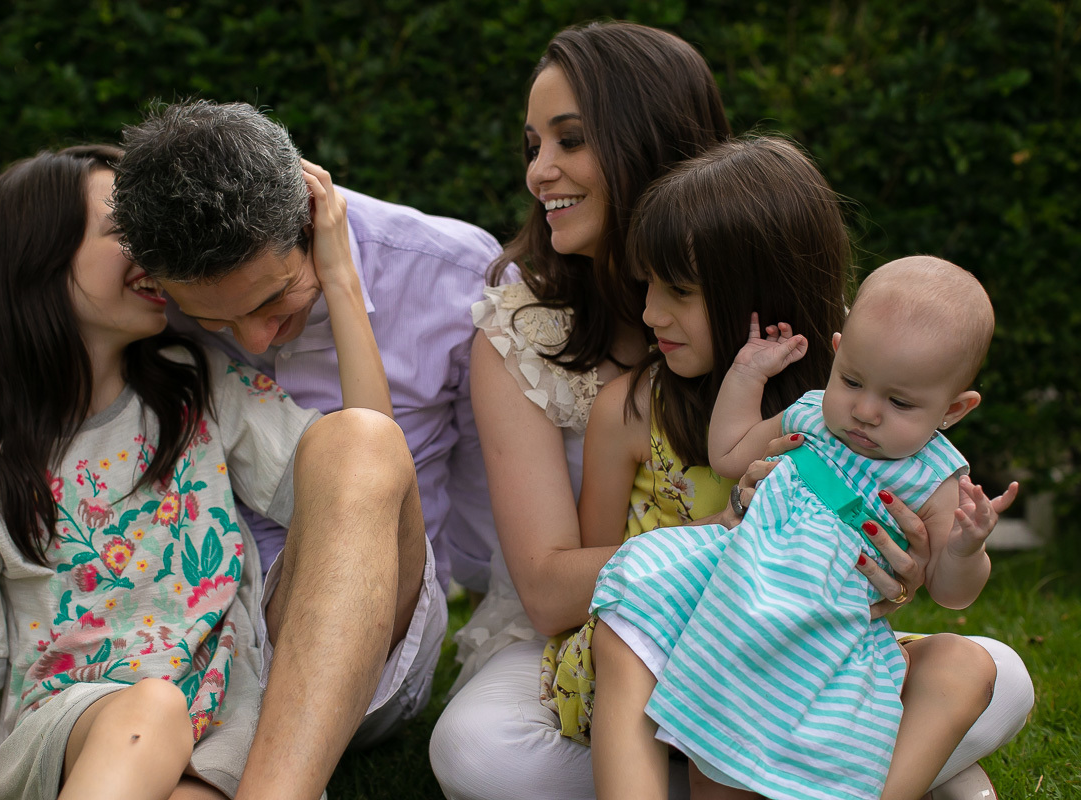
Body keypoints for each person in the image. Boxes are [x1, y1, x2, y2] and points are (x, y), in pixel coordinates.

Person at [430, 21, 1034, 800]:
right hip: (653, 632)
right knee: (483, 754)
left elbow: (913, 559)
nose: (540, 172)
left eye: (570, 140)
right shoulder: (571, 361)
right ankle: (813, 773)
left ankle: (805, 767)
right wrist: (735, 532)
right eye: (531, 145)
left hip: (806, 648)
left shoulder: (846, 377)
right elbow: (572, 585)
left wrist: (910, 560)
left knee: (999, 677)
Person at [0, 144, 401, 799]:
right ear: (32, 262)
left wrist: (340, 276)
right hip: (60, 737)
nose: (148, 248)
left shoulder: (196, 390)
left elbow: (373, 469)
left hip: (217, 740)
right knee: (150, 712)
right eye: (121, 231)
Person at [576, 138, 1005, 800]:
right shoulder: (811, 413)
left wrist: (967, 548)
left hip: (825, 628)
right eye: (853, 381)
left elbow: (950, 592)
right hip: (739, 593)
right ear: (836, 352)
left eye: (898, 402)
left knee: (969, 673)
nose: (863, 412)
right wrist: (747, 376)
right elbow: (732, 452)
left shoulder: (934, 476)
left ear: (954, 409)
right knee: (650, 596)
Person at [111, 100, 497, 798]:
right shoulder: (143, 287)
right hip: (197, 639)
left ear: (310, 220)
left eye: (275, 300)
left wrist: (341, 284)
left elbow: (447, 497)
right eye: (214, 321)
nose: (255, 340)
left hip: (380, 644)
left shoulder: (454, 274)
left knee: (356, 445)